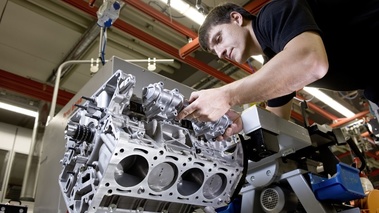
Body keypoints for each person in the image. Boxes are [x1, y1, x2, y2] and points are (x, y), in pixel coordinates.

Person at [177, 0, 379, 140]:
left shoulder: (274, 13)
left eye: (218, 39)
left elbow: (310, 62)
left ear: (236, 18)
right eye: (215, 52)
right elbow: (276, 119)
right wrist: (243, 122)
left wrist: (226, 95)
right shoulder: (277, 59)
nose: (220, 53)